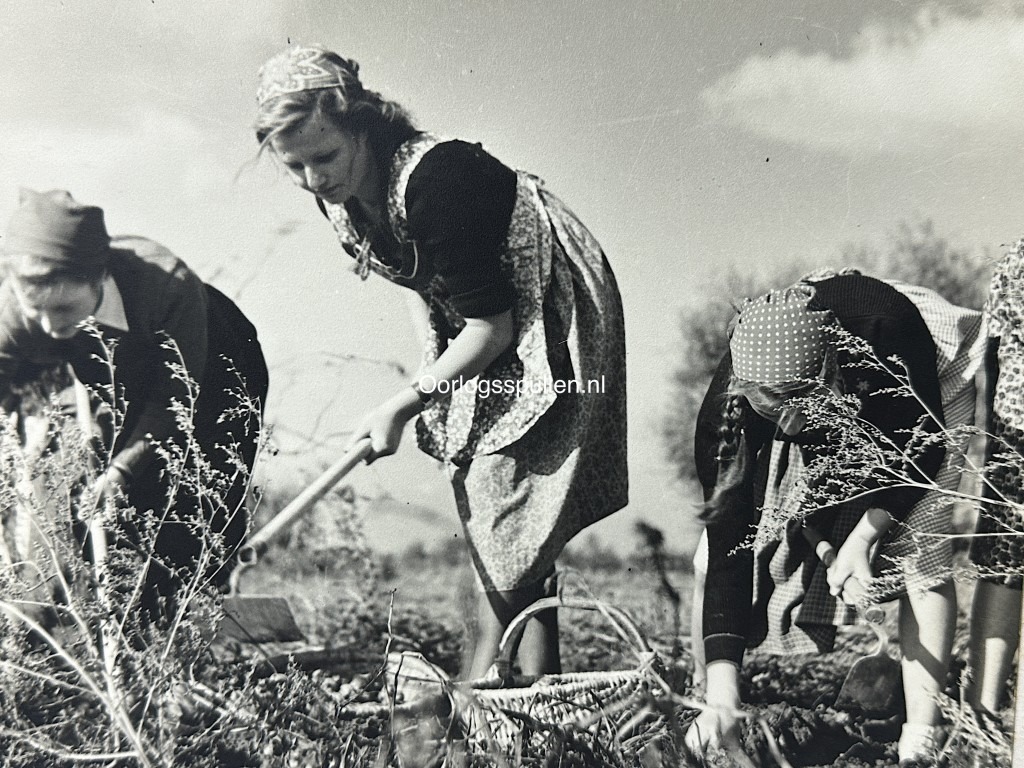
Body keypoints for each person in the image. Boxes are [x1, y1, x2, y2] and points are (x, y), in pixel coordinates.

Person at [253, 45, 627, 678]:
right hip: (476, 322)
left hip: (551, 310)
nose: (314, 180)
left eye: (325, 157)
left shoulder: (438, 181)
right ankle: (535, 688)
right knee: (486, 493)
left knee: (504, 499)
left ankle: (491, 686)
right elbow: (423, 282)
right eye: (295, 166)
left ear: (362, 126)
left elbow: (493, 326)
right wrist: (434, 371)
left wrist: (406, 402)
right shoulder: (340, 196)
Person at [687, 273, 977, 767]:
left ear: (826, 368)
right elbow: (728, 550)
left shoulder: (886, 330)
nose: (790, 423)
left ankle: (922, 737)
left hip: (925, 373)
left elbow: (919, 452)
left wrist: (863, 537)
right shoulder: (725, 416)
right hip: (830, 392)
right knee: (710, 556)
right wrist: (723, 695)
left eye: (801, 406)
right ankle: (710, 700)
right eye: (776, 411)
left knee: (920, 556)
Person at [0, 189, 268, 619]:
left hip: (214, 364)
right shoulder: (16, 311)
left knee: (194, 504)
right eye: (36, 311)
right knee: (106, 512)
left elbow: (172, 401)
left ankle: (193, 621)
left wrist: (122, 469)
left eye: (64, 308)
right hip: (115, 371)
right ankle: (120, 624)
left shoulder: (168, 286)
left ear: (99, 277)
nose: (49, 326)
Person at [965, 239, 1024, 723]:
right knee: (1006, 563)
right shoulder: (1018, 260)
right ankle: (981, 712)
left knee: (1006, 563)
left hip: (1011, 429)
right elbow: (992, 353)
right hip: (1017, 430)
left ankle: (981, 710)